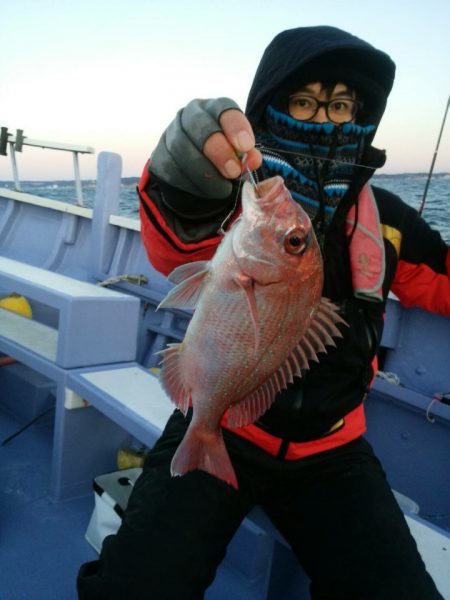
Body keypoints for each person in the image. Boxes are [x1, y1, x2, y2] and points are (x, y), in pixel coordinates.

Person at [77, 26, 450, 599]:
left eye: (342, 104)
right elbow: (174, 242)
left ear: (363, 116)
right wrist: (180, 177)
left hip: (334, 450)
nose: (325, 118)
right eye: (305, 101)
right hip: (220, 418)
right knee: (137, 584)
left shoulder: (389, 216)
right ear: (271, 108)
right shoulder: (234, 200)